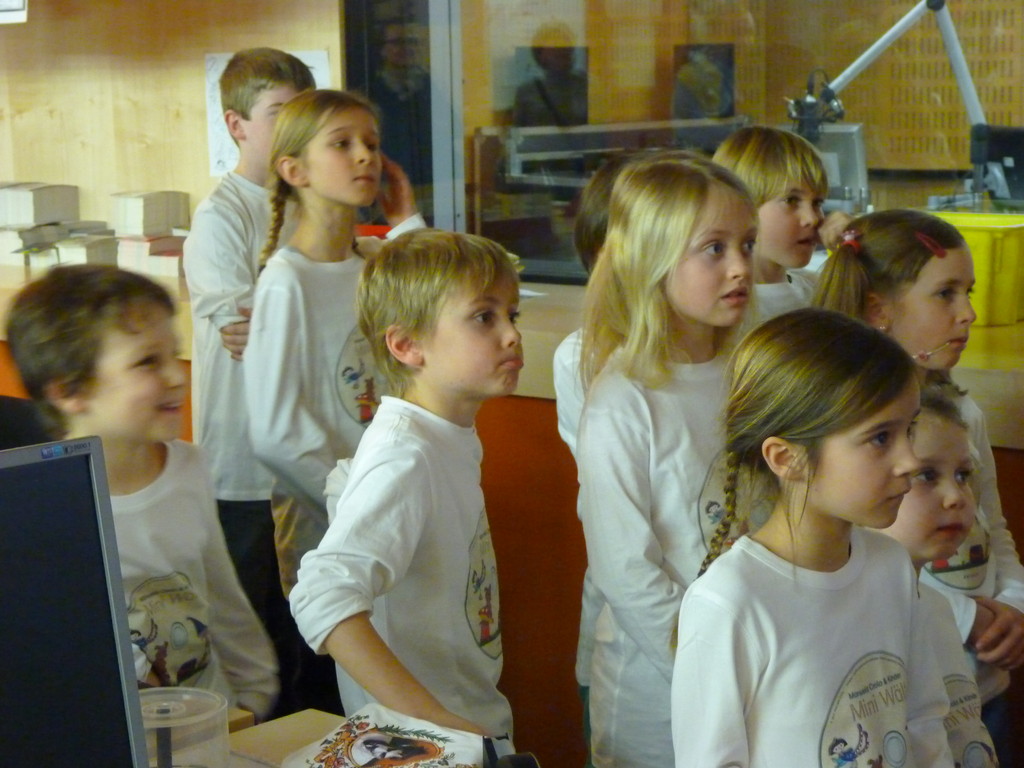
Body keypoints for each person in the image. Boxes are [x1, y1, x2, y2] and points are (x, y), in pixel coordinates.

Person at [671, 308, 953, 766]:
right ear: (788, 459)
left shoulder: (891, 565)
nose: (909, 460)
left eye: (910, 429)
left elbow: (923, 718)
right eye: (881, 438)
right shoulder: (730, 602)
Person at [5, 264, 278, 720]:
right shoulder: (37, 512)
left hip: (212, 724)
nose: (176, 375)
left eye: (174, 354)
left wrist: (253, 698)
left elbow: (224, 601)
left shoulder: (190, 467)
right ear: (70, 390)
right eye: (147, 361)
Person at [289, 229, 520, 746]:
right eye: (484, 317)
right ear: (407, 345)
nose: (511, 335)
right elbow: (323, 593)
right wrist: (438, 723)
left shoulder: (445, 436)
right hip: (428, 746)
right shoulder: (405, 455)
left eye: (512, 314)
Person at [814, 209, 1024, 765]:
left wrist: (1013, 605)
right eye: (945, 294)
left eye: (968, 293)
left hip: (982, 682)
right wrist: (966, 618)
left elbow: (993, 525)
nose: (969, 313)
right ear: (878, 310)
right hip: (901, 691)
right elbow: (853, 555)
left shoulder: (963, 411)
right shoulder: (853, 430)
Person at [575, 154, 756, 767]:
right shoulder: (624, 399)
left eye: (747, 244)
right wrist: (707, 669)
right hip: (659, 694)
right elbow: (627, 572)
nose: (740, 266)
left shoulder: (746, 371)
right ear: (653, 258)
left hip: (749, 663)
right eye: (714, 248)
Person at [183, 46, 315, 717]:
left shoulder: (313, 209)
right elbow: (246, 330)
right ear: (236, 125)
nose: (294, 126)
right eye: (277, 112)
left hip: (309, 464)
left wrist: (288, 320)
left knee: (312, 634)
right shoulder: (222, 216)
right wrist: (304, 319)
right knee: (254, 641)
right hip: (243, 471)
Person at [880, 388, 998, 766]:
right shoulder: (859, 620)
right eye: (927, 475)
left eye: (962, 475)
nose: (956, 496)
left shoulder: (935, 608)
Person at [712, 125, 839, 320]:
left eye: (817, 203)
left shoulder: (817, 290)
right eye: (791, 200)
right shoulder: (725, 306)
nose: (813, 218)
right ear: (741, 206)